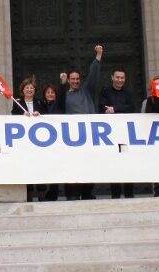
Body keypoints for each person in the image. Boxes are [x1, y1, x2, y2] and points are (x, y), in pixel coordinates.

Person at [58, 44, 103, 200]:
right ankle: (71, 194)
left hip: (89, 134)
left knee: (89, 165)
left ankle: (88, 193)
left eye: (77, 79)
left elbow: (93, 76)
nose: (75, 81)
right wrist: (62, 84)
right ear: (69, 80)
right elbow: (57, 106)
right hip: (70, 137)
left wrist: (98, 56)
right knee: (71, 166)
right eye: (73, 79)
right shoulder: (64, 95)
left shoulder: (86, 91)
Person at [99, 67, 138, 199]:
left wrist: (115, 109)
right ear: (112, 78)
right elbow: (102, 107)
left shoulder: (129, 93)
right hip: (110, 135)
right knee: (113, 164)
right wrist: (121, 109)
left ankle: (129, 194)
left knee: (128, 163)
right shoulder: (105, 92)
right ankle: (115, 195)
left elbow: (132, 107)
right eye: (117, 77)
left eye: (122, 78)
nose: (120, 80)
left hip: (126, 134)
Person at [11, 78, 46, 201]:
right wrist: (22, 117)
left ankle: (42, 196)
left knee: (40, 168)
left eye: (31, 88)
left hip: (40, 142)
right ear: (23, 90)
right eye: (27, 88)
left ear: (35, 90)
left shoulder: (40, 102)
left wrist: (39, 114)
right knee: (28, 168)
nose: (29, 90)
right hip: (24, 142)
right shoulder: (18, 103)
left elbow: (47, 116)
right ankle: (29, 196)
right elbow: (13, 117)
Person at [39, 83, 62, 201]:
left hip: (57, 141)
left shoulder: (59, 104)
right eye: (48, 92)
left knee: (55, 167)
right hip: (43, 141)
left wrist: (62, 83)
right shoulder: (40, 105)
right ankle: (42, 194)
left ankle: (53, 193)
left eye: (52, 92)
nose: (50, 94)